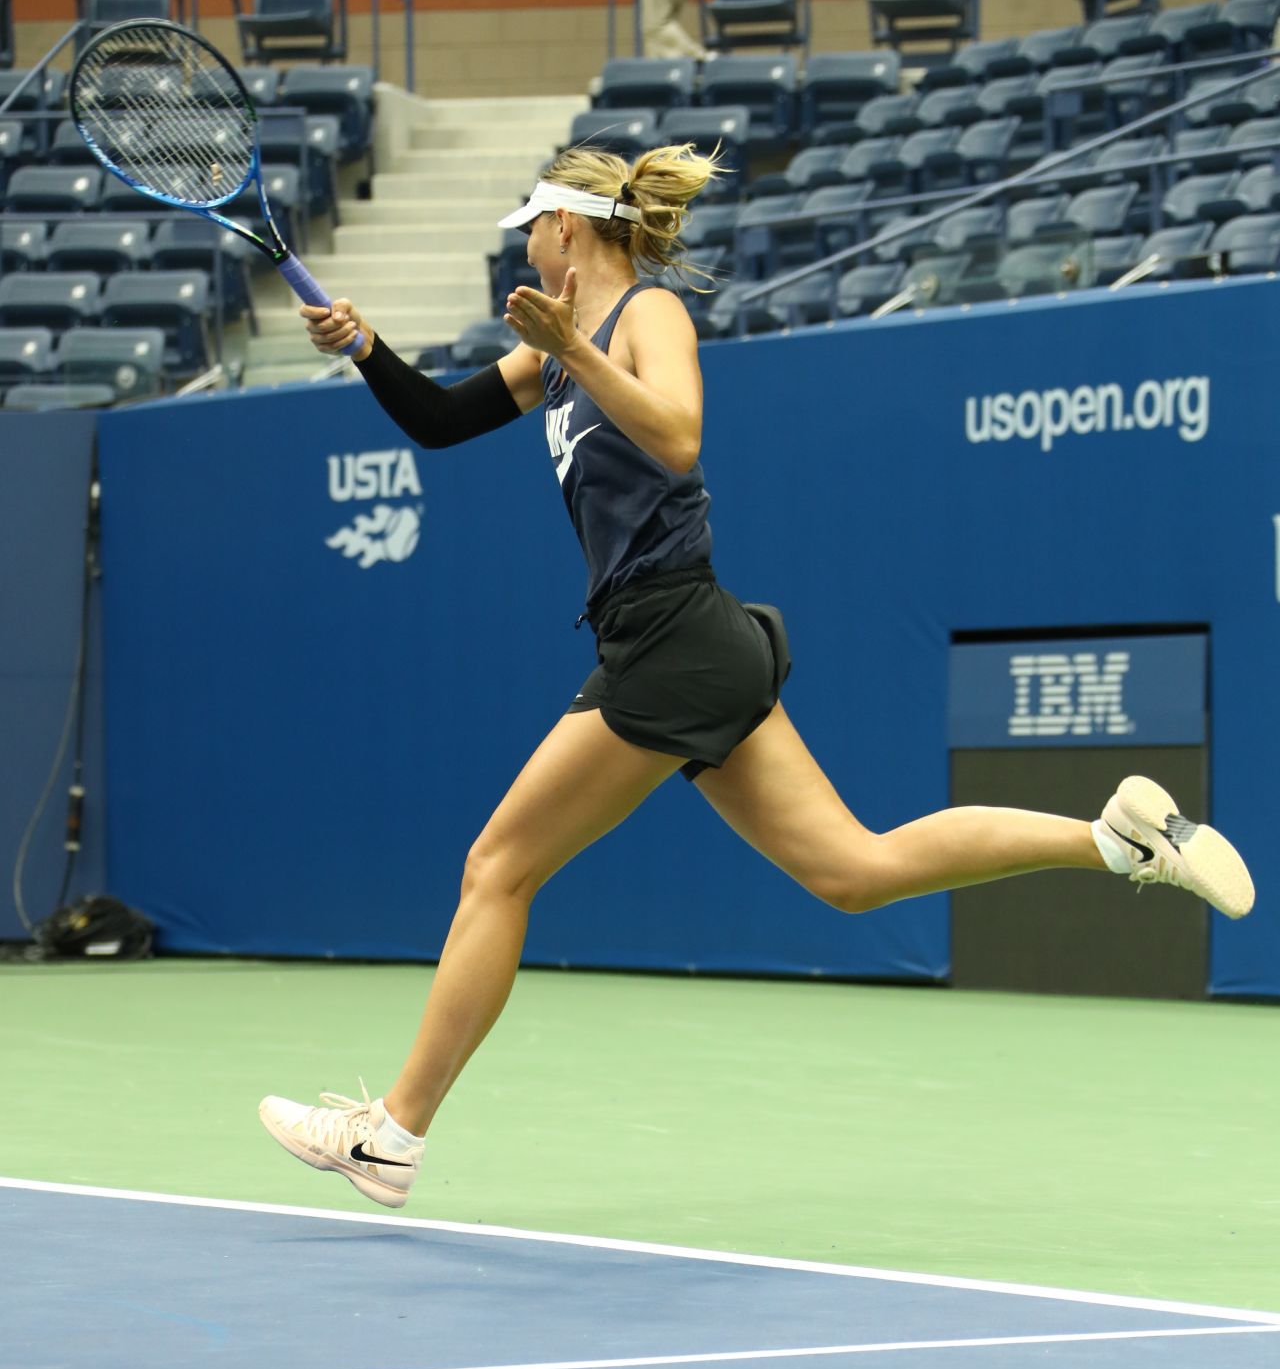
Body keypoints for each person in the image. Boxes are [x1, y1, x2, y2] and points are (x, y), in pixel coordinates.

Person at [258, 141, 1256, 1211]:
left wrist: (575, 354)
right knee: (854, 871)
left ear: (567, 226)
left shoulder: (642, 317)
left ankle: (393, 1134)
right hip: (686, 644)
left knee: (495, 868)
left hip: (671, 636)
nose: (526, 243)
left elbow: (678, 437)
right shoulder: (554, 348)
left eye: (532, 226)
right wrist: (363, 345)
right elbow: (439, 421)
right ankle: (1113, 842)